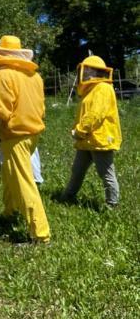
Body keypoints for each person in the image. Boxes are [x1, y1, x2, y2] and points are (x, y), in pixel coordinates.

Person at [0, 35, 50, 244]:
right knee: (9, 173)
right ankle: (9, 213)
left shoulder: (4, 76)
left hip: (15, 136)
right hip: (32, 134)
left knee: (23, 181)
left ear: (1, 54)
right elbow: (42, 108)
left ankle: (40, 233)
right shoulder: (34, 76)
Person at [61, 56, 121, 208]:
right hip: (86, 140)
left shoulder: (103, 88)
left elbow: (95, 114)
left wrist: (80, 131)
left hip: (99, 139)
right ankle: (68, 196)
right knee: (77, 170)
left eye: (87, 69)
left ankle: (112, 205)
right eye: (84, 69)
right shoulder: (90, 90)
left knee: (106, 173)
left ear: (96, 71)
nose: (84, 72)